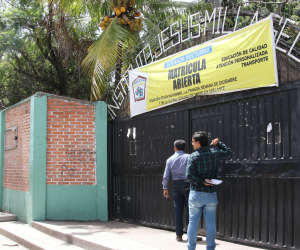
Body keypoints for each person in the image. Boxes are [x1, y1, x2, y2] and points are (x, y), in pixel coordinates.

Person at [186, 131, 232, 250]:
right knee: (210, 223)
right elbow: (228, 152)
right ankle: (211, 247)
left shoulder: (193, 156)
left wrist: (202, 181)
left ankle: (191, 248)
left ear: (198, 142)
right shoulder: (215, 153)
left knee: (193, 224)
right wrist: (219, 143)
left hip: (196, 193)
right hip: (211, 194)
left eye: (192, 142)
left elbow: (189, 176)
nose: (192, 144)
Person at [162, 140, 190, 242]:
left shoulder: (170, 160)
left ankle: (178, 235)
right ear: (185, 147)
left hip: (176, 186)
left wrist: (165, 188)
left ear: (175, 148)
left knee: (178, 210)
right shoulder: (189, 157)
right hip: (187, 184)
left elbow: (166, 176)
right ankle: (190, 235)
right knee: (189, 211)